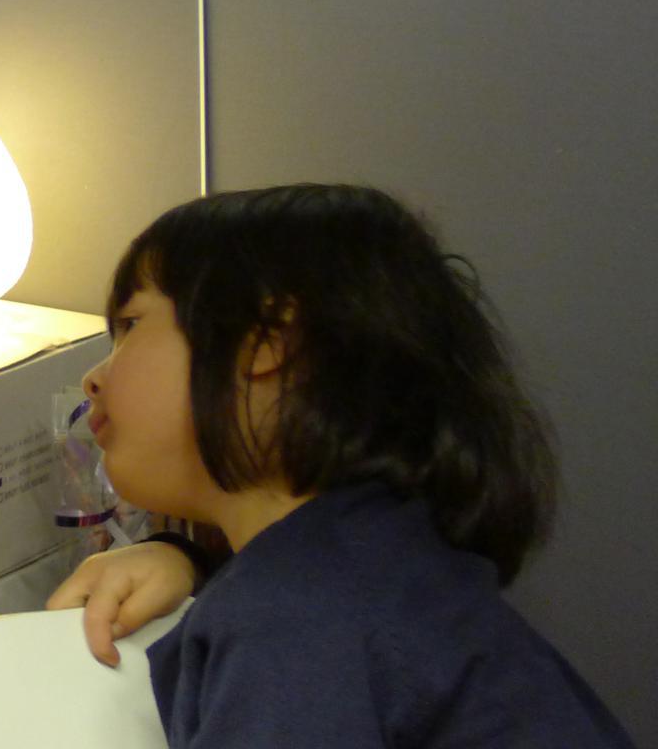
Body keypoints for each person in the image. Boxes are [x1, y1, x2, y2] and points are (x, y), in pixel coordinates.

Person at [44, 184, 632, 747]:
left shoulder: (293, 619)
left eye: (130, 326)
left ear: (265, 344)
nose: (94, 378)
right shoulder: (374, 565)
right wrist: (189, 563)